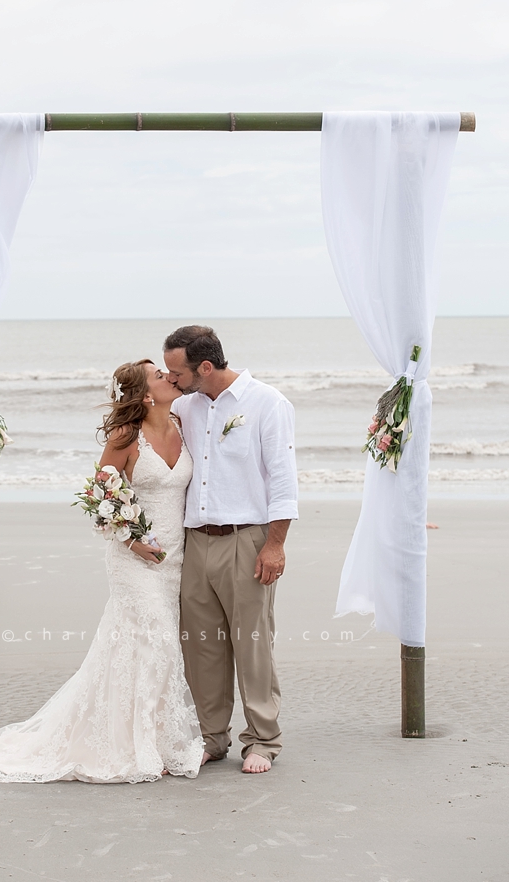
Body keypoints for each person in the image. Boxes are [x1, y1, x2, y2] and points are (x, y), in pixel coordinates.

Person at [0, 359, 204, 784]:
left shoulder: (184, 427)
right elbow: (100, 494)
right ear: (146, 394)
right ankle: (137, 746)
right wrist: (133, 541)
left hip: (176, 560)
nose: (169, 376)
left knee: (154, 649)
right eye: (158, 375)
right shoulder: (126, 435)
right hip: (134, 560)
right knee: (153, 642)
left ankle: (156, 739)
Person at [163, 326, 298, 774]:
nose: (172, 379)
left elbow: (283, 479)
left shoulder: (267, 403)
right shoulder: (184, 404)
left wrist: (275, 545)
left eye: (176, 371)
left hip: (248, 540)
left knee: (252, 642)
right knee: (200, 645)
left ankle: (263, 739)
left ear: (205, 367)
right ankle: (211, 737)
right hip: (194, 542)